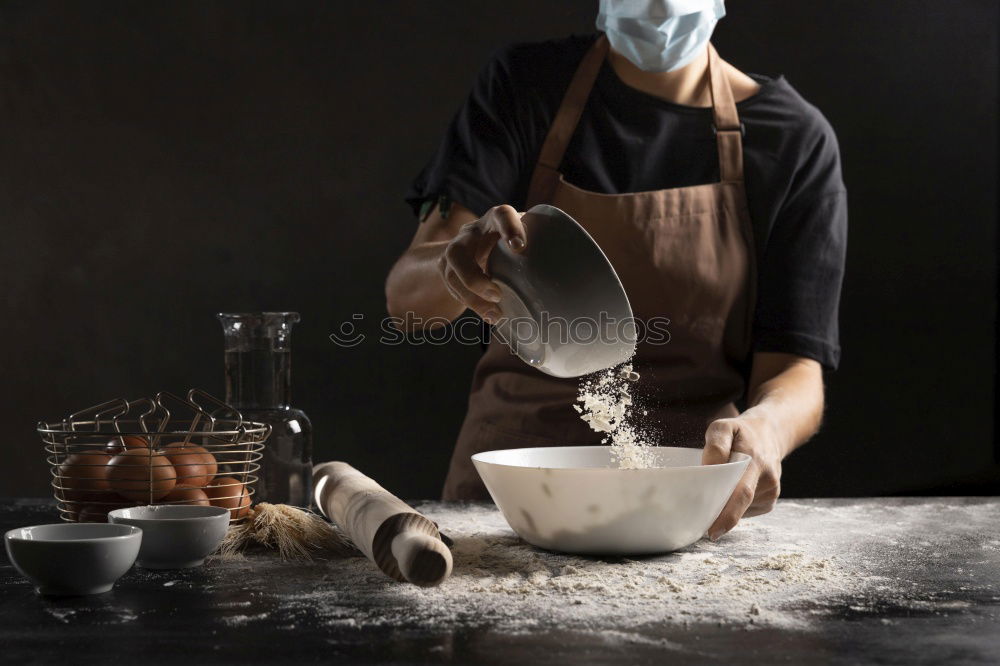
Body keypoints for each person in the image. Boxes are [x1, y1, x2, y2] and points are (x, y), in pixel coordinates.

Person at [386, 0, 846, 540]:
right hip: (505, 500)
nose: (657, 5)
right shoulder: (527, 86)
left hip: (689, 497)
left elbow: (796, 369)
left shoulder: (791, 138)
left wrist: (766, 428)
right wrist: (452, 265)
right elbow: (406, 307)